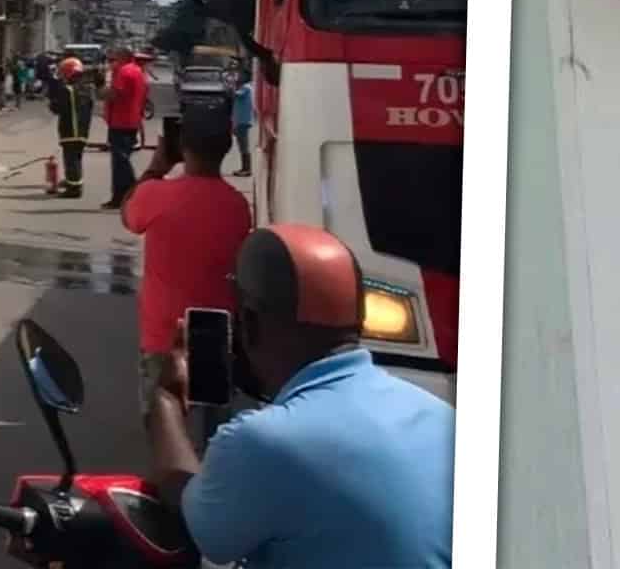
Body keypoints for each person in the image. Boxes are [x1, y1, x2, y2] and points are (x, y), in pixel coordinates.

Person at [129, 225, 453, 569]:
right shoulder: (442, 417)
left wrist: (165, 400)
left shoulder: (264, 441)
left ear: (249, 323)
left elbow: (199, 526)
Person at [122, 112, 253, 443]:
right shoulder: (236, 205)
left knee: (165, 430)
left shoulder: (157, 194)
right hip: (215, 333)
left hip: (164, 336)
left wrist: (156, 167)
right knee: (213, 434)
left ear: (182, 148)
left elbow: (128, 213)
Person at [97, 45, 150, 211]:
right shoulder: (136, 70)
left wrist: (99, 89)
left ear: (123, 57)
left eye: (114, 58)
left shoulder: (124, 71)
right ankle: (121, 196)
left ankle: (130, 193)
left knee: (120, 161)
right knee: (121, 159)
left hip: (121, 121)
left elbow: (115, 94)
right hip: (129, 120)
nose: (111, 61)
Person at [45, 56, 97, 200]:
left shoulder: (67, 90)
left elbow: (57, 108)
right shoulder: (88, 89)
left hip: (69, 129)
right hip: (83, 130)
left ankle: (74, 188)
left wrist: (51, 102)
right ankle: (74, 181)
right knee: (77, 157)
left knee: (71, 159)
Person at [231, 73, 255, 179]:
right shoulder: (246, 88)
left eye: (238, 78)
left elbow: (236, 95)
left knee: (244, 146)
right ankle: (244, 168)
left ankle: (247, 169)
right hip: (241, 121)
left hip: (243, 121)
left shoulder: (246, 88)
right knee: (242, 146)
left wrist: (230, 87)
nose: (236, 80)